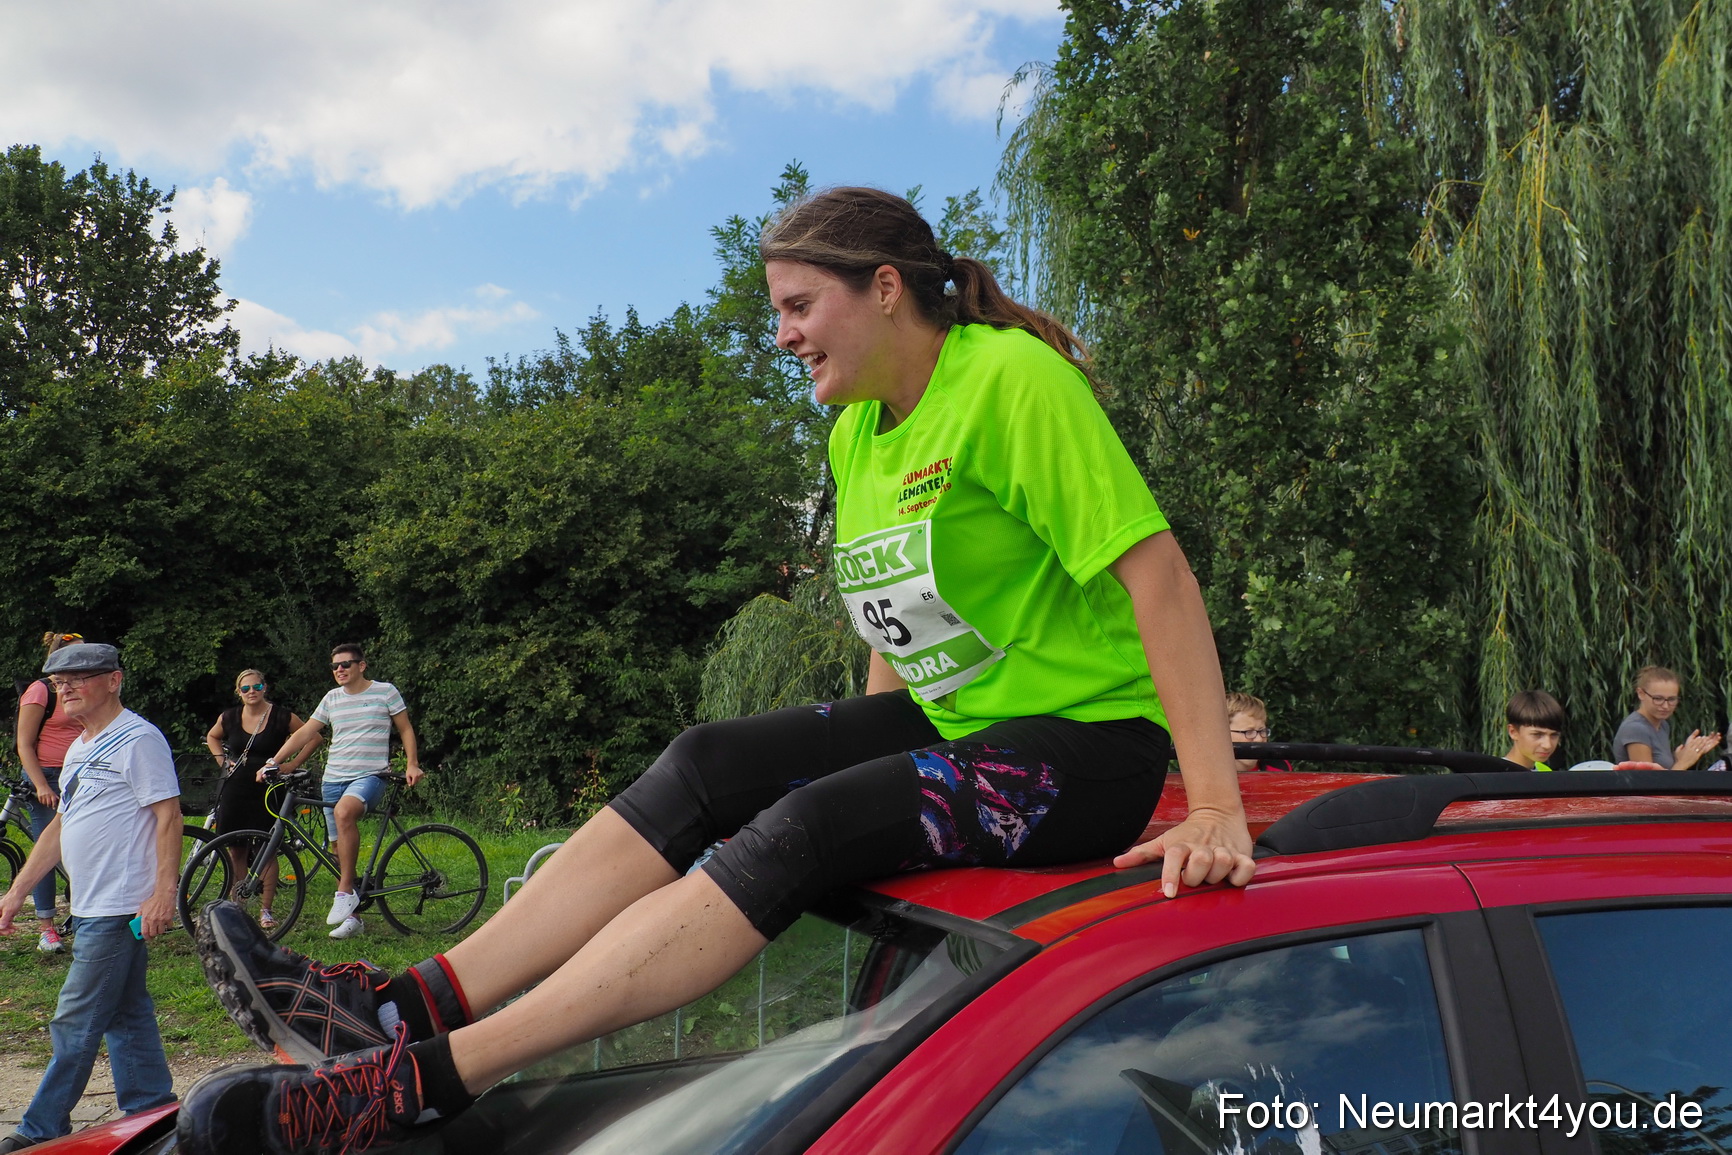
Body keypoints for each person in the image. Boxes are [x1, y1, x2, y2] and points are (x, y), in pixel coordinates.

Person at [178, 186, 1258, 1155]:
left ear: (885, 289)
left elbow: (1153, 574)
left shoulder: (1009, 382)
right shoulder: (856, 434)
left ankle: (420, 1084)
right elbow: (902, 615)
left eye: (797, 307)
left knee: (805, 828)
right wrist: (873, 753)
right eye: (776, 313)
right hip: (959, 721)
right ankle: (406, 1005)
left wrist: (1212, 802)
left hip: (1083, 748)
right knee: (707, 760)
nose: (783, 335)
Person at [0, 643, 180, 1152]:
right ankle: (152, 1110)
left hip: (120, 904)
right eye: (59, 683)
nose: (67, 688)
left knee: (76, 1018)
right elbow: (61, 824)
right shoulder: (81, 745)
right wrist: (16, 893)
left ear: (114, 680)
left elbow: (168, 815)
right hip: (90, 903)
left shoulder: (138, 739)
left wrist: (162, 893)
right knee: (126, 1012)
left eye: (80, 678)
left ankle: (41, 1130)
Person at [257, 643, 421, 940]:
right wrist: (274, 761)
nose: (340, 670)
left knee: (345, 813)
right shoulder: (332, 698)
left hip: (370, 775)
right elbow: (306, 732)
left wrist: (412, 763)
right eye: (335, 666)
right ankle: (354, 917)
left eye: (346, 664)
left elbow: (406, 728)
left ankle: (344, 891)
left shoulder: (385, 692)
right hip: (333, 779)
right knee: (337, 850)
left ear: (362, 665)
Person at [203, 669, 317, 929]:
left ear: (265, 687)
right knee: (236, 849)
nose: (251, 691)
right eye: (245, 688)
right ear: (238, 692)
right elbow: (212, 736)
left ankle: (266, 910)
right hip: (235, 788)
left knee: (267, 848)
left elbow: (314, 737)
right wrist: (222, 761)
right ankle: (238, 907)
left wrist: (292, 764)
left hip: (268, 788)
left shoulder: (282, 716)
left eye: (256, 686)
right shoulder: (229, 717)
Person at [12, 631, 86, 952]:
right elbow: (24, 744)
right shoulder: (41, 692)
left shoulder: (86, 691)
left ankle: (85, 919)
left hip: (81, 775)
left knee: (83, 851)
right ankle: (46, 929)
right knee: (46, 852)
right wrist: (41, 785)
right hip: (47, 778)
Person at [1611, 666, 1721, 770]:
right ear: (1641, 694)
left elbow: (1665, 771)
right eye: (1658, 698)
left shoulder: (1663, 725)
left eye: (1672, 699)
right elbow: (1646, 783)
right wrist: (1684, 762)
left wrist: (1681, 756)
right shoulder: (1635, 729)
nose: (1665, 706)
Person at [1227, 692, 1292, 772]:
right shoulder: (1211, 774)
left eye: (1262, 731)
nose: (1259, 739)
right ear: (1224, 734)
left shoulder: (1279, 767)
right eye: (1249, 732)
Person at [1502, 690, 1563, 771]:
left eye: (1554, 735)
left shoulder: (1546, 773)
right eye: (1537, 735)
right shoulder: (1492, 775)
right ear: (1513, 732)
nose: (1547, 745)